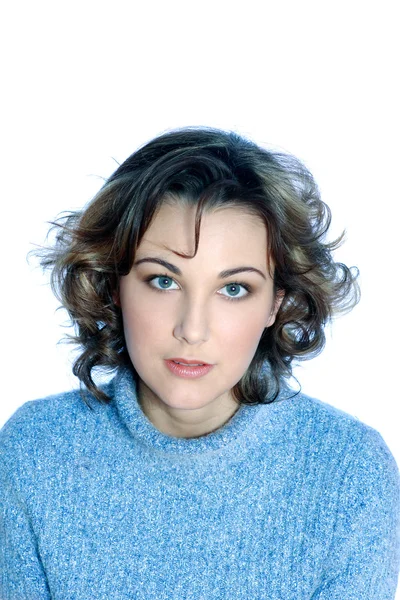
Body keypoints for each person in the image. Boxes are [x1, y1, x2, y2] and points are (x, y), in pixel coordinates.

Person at [0, 126, 399, 599]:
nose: (192, 330)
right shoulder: (35, 451)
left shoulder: (348, 474)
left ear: (276, 303)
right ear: (114, 284)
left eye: (234, 289)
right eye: (163, 281)